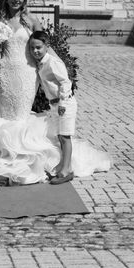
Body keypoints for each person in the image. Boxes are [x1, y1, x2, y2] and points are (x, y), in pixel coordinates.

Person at [0, 0, 61, 187]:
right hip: (6, 74)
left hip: (26, 75)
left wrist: (58, 70)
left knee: (21, 116)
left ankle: (24, 165)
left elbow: (44, 48)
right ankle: (5, 161)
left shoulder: (30, 20)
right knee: (7, 116)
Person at [30, 30, 77, 184]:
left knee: (65, 136)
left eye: (38, 47)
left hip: (65, 103)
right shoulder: (41, 63)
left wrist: (63, 102)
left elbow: (65, 81)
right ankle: (63, 165)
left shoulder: (53, 62)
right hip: (54, 104)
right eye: (32, 48)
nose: (35, 51)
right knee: (60, 136)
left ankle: (66, 170)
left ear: (47, 46)